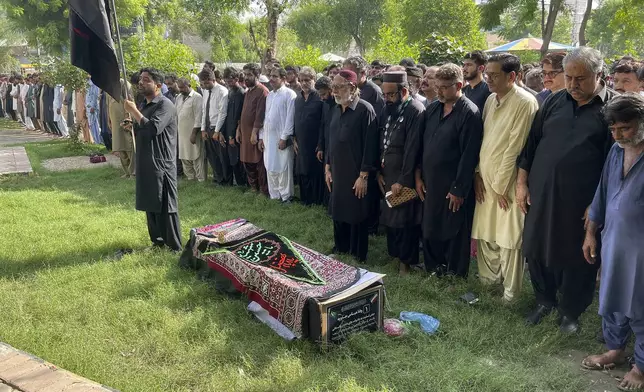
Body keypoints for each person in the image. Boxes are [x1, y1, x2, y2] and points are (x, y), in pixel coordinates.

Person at [517, 47, 617, 333]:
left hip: (582, 201)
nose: (572, 85)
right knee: (536, 247)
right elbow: (531, 146)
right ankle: (544, 300)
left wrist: (597, 205)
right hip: (542, 194)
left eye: (580, 79)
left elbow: (613, 164)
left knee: (579, 256)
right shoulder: (553, 102)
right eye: (569, 77)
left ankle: (570, 311)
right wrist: (522, 183)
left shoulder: (611, 109)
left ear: (599, 75)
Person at [581, 93, 644, 392]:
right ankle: (615, 349)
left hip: (641, 248)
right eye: (614, 130)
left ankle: (641, 366)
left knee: (641, 304)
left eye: (626, 129)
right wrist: (591, 232)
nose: (618, 135)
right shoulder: (617, 151)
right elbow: (601, 193)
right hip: (613, 240)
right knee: (612, 297)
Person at [472, 53, 539, 302]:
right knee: (487, 234)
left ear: (512, 76)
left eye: (494, 75)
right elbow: (484, 140)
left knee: (509, 239)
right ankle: (488, 283)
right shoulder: (491, 99)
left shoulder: (525, 102)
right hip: (485, 179)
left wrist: (500, 185)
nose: (488, 78)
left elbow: (516, 147)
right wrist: (477, 173)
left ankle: (511, 295)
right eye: (487, 73)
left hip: (508, 184)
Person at [416, 63, 482, 277]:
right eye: (438, 87)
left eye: (445, 87)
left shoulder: (469, 113)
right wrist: (417, 175)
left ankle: (454, 271)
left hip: (452, 182)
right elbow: (421, 145)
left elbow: (469, 154)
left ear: (459, 85)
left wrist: (458, 188)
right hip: (429, 181)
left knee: (454, 228)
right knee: (430, 224)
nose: (440, 91)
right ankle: (434, 267)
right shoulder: (433, 108)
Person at [123, 67, 182, 252]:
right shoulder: (146, 105)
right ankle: (157, 243)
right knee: (151, 203)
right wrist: (132, 124)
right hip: (146, 162)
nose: (141, 82)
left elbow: (153, 129)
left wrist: (134, 112)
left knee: (165, 205)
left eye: (146, 80)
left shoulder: (165, 105)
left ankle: (173, 246)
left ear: (158, 85)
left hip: (161, 163)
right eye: (140, 79)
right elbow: (143, 130)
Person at [326, 69, 380, 262]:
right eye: (333, 87)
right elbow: (330, 140)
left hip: (356, 172)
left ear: (352, 87)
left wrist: (363, 175)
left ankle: (358, 254)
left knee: (356, 211)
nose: (335, 91)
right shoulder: (335, 109)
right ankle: (341, 247)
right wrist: (327, 166)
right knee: (339, 208)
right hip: (338, 170)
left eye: (339, 87)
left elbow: (371, 146)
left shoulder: (365, 110)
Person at [378, 71, 425, 275]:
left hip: (403, 177)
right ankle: (395, 255)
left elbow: (413, 149)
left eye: (390, 95)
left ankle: (406, 262)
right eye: (384, 95)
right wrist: (379, 171)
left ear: (403, 91)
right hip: (387, 173)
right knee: (391, 218)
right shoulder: (389, 109)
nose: (386, 99)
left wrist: (403, 180)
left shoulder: (415, 110)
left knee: (405, 220)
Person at [343, 56, 385, 235]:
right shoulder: (350, 92)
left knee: (369, 190)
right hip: (352, 148)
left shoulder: (372, 91)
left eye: (351, 72)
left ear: (362, 73)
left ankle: (371, 225)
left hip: (367, 146)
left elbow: (374, 124)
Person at [261, 67, 297, 203]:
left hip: (282, 137)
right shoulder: (270, 95)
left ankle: (286, 196)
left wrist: (284, 137)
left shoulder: (290, 94)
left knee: (283, 166)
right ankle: (274, 195)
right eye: (270, 76)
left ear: (283, 78)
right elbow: (266, 117)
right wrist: (261, 136)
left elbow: (290, 118)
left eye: (275, 76)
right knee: (270, 165)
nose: (271, 79)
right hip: (268, 137)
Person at [294, 66, 324, 206]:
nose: (304, 83)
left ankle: (315, 200)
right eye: (302, 80)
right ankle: (305, 199)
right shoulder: (298, 98)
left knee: (314, 171)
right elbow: (294, 120)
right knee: (302, 169)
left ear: (314, 80)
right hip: (300, 140)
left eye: (307, 80)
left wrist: (320, 143)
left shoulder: (320, 98)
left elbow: (323, 122)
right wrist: (293, 139)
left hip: (315, 141)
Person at [238, 63, 269, 195]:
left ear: (257, 75)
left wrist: (255, 133)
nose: (246, 77)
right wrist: (238, 130)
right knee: (247, 161)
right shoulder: (247, 92)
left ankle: (263, 190)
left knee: (258, 163)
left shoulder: (262, 91)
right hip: (245, 133)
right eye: (245, 74)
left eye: (249, 74)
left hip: (255, 134)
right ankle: (253, 188)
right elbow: (243, 113)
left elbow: (260, 115)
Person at [199, 68, 230, 186]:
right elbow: (204, 110)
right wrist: (203, 129)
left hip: (218, 128)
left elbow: (223, 113)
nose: (205, 85)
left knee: (221, 156)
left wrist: (217, 131)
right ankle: (217, 178)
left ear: (213, 79)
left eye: (207, 82)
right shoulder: (206, 91)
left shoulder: (222, 91)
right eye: (203, 83)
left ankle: (225, 181)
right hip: (208, 127)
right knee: (212, 155)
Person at [221, 67, 247, 187]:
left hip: (236, 132)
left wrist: (232, 135)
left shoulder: (240, 93)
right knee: (231, 158)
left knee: (237, 159)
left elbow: (237, 116)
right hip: (228, 129)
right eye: (226, 81)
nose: (228, 83)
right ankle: (236, 181)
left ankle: (241, 183)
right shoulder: (230, 91)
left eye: (230, 81)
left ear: (237, 79)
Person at [174, 78, 204, 181]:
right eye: (179, 87)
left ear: (189, 85)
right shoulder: (178, 97)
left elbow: (199, 117)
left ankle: (201, 178)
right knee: (184, 155)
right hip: (181, 132)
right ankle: (190, 177)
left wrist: (194, 133)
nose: (180, 89)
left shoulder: (197, 97)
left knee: (196, 155)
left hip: (193, 132)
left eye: (182, 87)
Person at [108, 80, 135, 178]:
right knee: (119, 146)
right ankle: (127, 171)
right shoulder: (108, 84)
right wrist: (109, 119)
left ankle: (133, 172)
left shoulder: (123, 83)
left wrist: (128, 116)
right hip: (114, 120)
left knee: (128, 145)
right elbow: (108, 104)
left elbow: (130, 100)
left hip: (124, 117)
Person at [86, 78, 103, 144]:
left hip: (93, 107)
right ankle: (96, 140)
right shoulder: (87, 83)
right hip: (88, 106)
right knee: (91, 125)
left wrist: (93, 106)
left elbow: (95, 96)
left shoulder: (94, 83)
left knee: (95, 124)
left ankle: (99, 140)